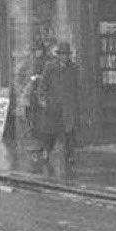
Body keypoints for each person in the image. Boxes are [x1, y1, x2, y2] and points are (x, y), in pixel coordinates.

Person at [34, 40, 82, 168]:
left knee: (69, 131)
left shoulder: (73, 68)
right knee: (51, 131)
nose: (65, 57)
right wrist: (42, 98)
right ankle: (47, 151)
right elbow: (43, 84)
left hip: (68, 105)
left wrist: (77, 103)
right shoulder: (50, 67)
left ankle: (70, 155)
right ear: (58, 55)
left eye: (67, 54)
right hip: (53, 104)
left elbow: (77, 86)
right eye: (62, 54)